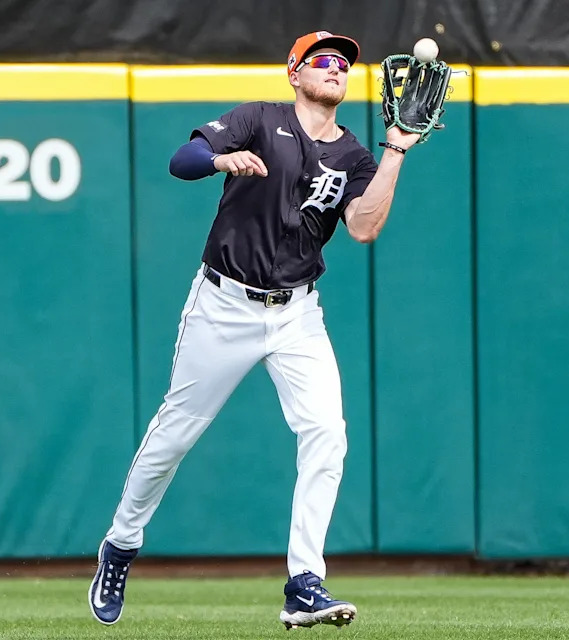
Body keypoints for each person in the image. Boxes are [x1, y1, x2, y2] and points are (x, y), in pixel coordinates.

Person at [89, 30, 421, 629]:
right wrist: (221, 158)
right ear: (293, 73)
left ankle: (304, 582)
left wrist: (396, 150)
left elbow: (365, 227)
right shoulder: (258, 120)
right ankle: (121, 543)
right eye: (321, 60)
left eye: (344, 63)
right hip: (224, 304)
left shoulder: (353, 156)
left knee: (327, 432)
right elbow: (180, 161)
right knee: (174, 437)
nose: (335, 68)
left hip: (296, 312)